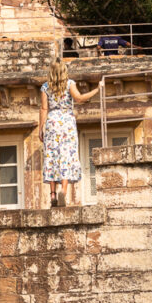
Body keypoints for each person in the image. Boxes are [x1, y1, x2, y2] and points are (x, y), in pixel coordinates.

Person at [38, 59, 99, 207]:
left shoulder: (45, 87)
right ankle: (63, 192)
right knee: (65, 156)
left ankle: (52, 193)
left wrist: (41, 128)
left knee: (51, 156)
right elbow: (78, 98)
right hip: (66, 122)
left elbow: (44, 109)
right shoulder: (70, 84)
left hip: (52, 122)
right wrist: (97, 89)